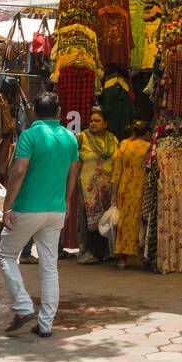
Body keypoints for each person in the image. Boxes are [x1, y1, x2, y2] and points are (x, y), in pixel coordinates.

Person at [0, 91, 79, 337]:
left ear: (33, 111)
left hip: (28, 207)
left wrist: (7, 206)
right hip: (56, 210)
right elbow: (73, 173)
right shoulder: (69, 138)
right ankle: (45, 325)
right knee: (49, 266)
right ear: (59, 112)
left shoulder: (30, 135)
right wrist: (66, 200)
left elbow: (18, 171)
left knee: (6, 256)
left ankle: (22, 306)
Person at [76, 106, 118, 264]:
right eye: (91, 120)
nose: (93, 123)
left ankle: (104, 251)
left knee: (106, 219)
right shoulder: (82, 138)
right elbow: (68, 153)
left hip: (108, 187)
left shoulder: (113, 139)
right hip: (88, 187)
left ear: (106, 123)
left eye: (97, 121)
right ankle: (85, 252)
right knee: (87, 219)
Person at [110, 120, 151, 270]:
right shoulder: (148, 148)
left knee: (124, 223)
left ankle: (122, 258)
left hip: (125, 189)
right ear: (147, 133)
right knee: (141, 222)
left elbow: (116, 172)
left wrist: (114, 194)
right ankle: (141, 256)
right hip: (142, 189)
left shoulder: (124, 145)